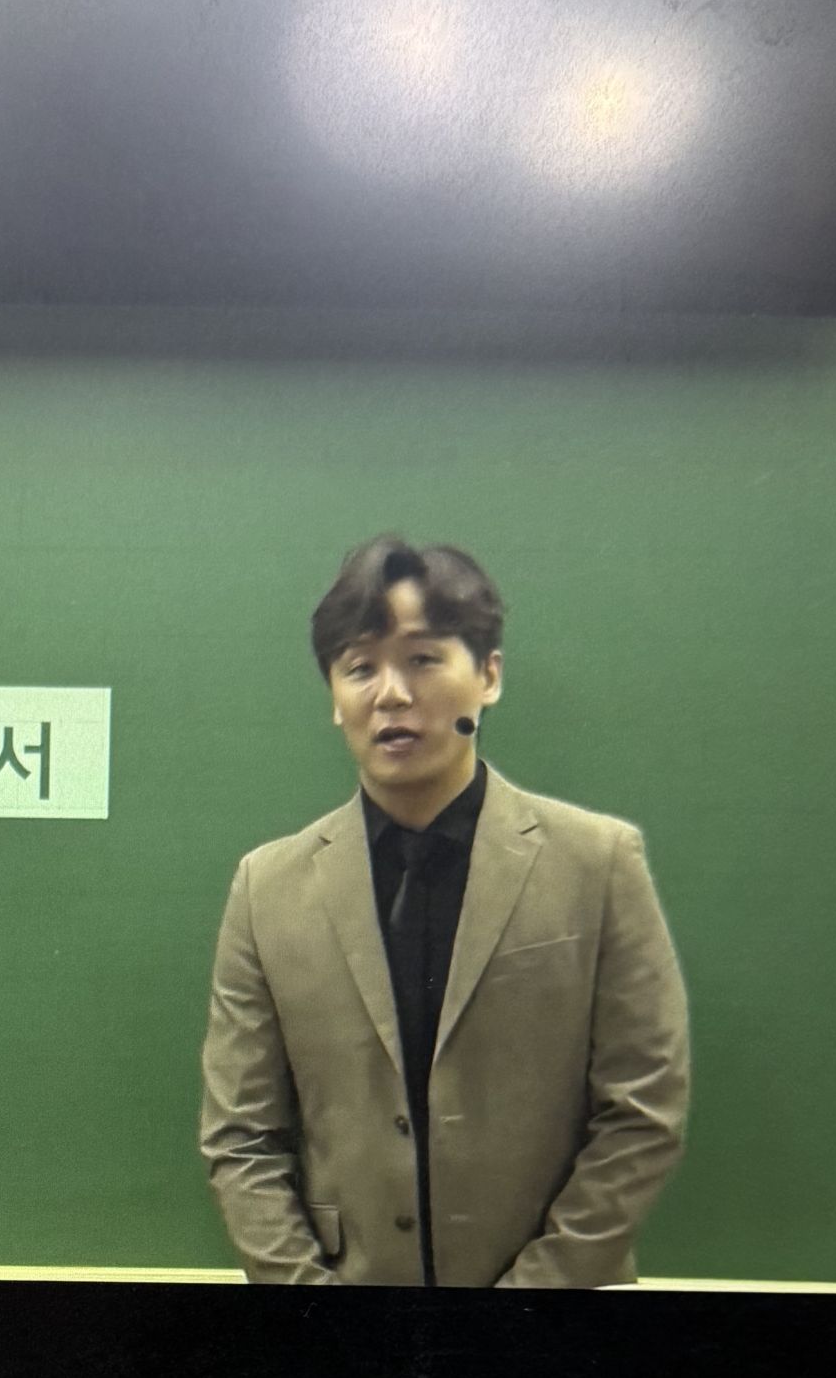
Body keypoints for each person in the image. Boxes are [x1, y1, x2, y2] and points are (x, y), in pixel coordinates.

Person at [199, 535, 689, 1287]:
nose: (391, 694)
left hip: (556, 1321)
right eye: (360, 668)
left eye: (423, 659)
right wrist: (318, 1315)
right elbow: (242, 1138)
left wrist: (523, 1308)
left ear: (488, 675)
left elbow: (642, 1111)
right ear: (334, 698)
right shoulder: (268, 887)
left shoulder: (597, 862)